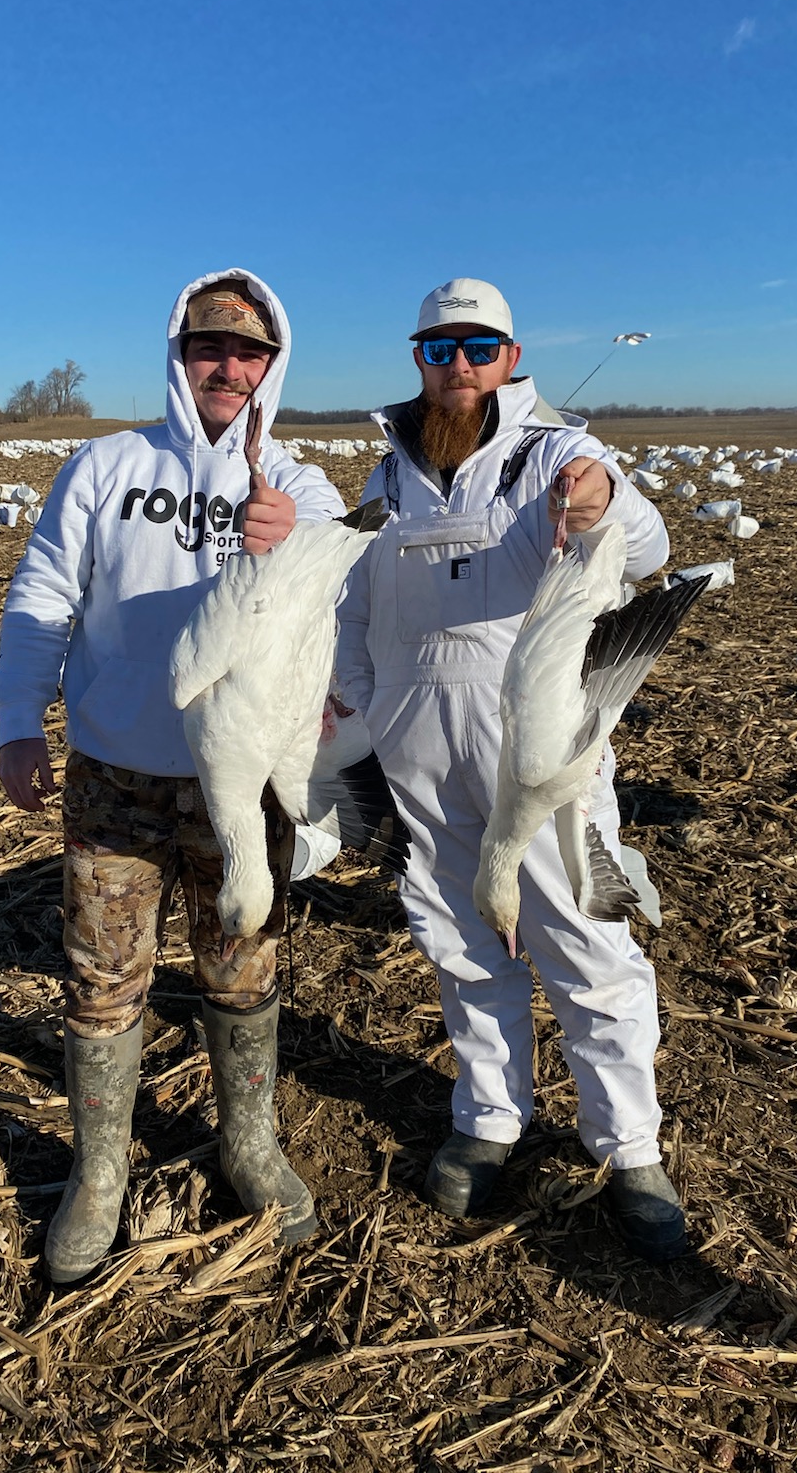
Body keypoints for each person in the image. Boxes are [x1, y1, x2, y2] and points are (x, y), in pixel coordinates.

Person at [0, 270, 345, 1282]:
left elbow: (350, 585)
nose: (226, 369)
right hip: (117, 776)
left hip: (242, 789)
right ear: (178, 354)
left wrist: (298, 542)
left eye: (248, 354)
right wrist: (22, 719)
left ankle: (248, 1143)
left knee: (245, 964)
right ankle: (99, 1174)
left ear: (272, 365)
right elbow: (45, 593)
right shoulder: (105, 467)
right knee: (102, 980)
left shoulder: (301, 485)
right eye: (208, 349)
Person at [335, 278, 687, 1261]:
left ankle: (630, 1150)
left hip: (542, 764)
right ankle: (491, 1115)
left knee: (590, 947)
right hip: (422, 758)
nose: (459, 367)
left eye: (478, 348)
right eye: (440, 348)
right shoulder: (388, 476)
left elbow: (647, 543)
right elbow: (352, 605)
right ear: (417, 357)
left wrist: (604, 497)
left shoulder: (557, 452)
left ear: (510, 354)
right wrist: (363, 704)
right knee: (462, 950)